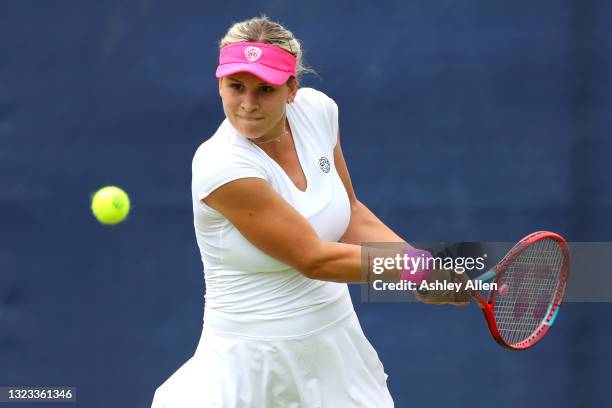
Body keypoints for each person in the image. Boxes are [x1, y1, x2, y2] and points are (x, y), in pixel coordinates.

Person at [151, 15, 468, 408]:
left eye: (265, 89)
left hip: (335, 350)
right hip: (251, 366)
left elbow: (348, 213)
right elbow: (313, 258)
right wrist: (418, 268)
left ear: (292, 89)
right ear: (220, 84)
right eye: (236, 87)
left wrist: (420, 272)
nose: (247, 105)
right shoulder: (221, 165)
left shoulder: (318, 112)